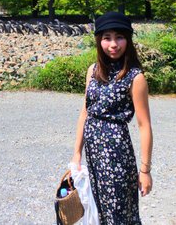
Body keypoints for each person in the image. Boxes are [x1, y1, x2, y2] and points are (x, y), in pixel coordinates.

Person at [71, 11, 153, 224]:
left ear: (128, 40)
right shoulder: (93, 70)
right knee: (98, 210)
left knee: (118, 213)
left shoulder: (135, 77)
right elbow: (85, 112)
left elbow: (144, 126)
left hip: (116, 155)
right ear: (99, 41)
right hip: (94, 154)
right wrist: (76, 154)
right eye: (107, 38)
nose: (113, 44)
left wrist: (144, 171)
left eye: (120, 37)